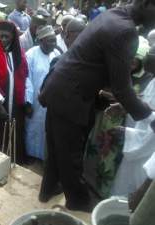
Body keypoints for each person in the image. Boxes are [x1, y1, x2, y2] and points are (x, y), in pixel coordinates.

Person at [38, 0, 155, 212]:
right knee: (71, 156)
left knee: (57, 148)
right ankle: (79, 204)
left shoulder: (114, 14)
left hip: (60, 87)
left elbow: (101, 65)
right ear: (146, 4)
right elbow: (122, 89)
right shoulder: (125, 30)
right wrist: (151, 116)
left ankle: (48, 189)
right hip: (70, 95)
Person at [111, 45, 155, 196]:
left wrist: (129, 133)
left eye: (151, 53)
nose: (148, 56)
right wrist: (127, 107)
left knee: (137, 197)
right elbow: (146, 104)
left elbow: (151, 117)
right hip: (138, 147)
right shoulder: (153, 80)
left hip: (146, 157)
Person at [0, 21, 28, 164]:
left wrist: (27, 101)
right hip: (0, 105)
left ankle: (16, 163)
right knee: (1, 135)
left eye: (7, 37)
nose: (3, 40)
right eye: (1, 36)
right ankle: (1, 166)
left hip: (16, 103)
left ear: (13, 37)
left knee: (17, 132)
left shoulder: (19, 53)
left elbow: (26, 78)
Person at [25, 26, 59, 161]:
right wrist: (28, 102)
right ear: (40, 41)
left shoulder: (56, 54)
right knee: (33, 128)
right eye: (50, 41)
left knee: (46, 129)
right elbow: (26, 79)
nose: (53, 44)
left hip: (50, 101)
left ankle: (44, 156)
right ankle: (31, 156)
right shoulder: (31, 54)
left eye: (54, 41)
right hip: (34, 100)